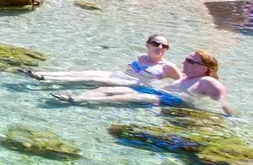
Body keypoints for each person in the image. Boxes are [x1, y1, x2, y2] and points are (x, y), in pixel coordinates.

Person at [58, 49, 230, 113]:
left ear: (205, 68)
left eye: (191, 61)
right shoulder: (188, 78)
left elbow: (221, 100)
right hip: (156, 93)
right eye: (186, 59)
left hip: (168, 100)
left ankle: (78, 100)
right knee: (106, 89)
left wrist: (228, 115)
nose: (185, 63)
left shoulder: (207, 80)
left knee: (122, 98)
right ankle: (78, 96)